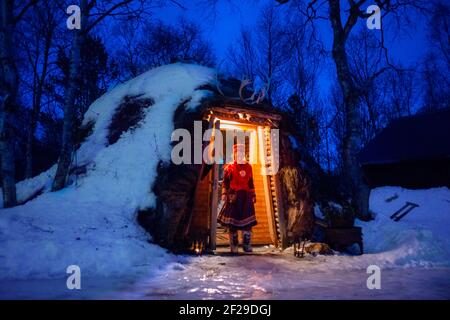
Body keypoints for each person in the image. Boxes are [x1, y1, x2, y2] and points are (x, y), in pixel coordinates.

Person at [218, 143, 257, 253]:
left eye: (241, 153)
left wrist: (253, 195)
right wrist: (224, 194)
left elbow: (250, 182)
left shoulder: (249, 167)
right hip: (233, 197)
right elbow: (225, 183)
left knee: (247, 224)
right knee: (233, 224)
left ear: (243, 154)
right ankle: (234, 246)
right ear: (234, 154)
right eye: (237, 153)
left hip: (246, 198)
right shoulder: (229, 167)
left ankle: (246, 245)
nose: (239, 155)